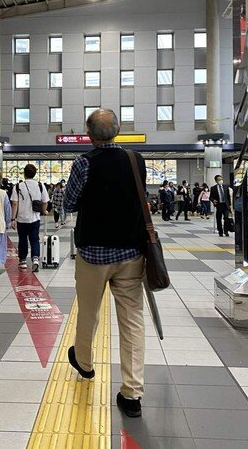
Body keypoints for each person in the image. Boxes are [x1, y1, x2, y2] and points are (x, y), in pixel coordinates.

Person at [64, 108, 147, 418]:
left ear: (89, 134)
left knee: (88, 312)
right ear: (118, 129)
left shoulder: (84, 162)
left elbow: (69, 202)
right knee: (132, 320)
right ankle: (132, 392)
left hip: (93, 254)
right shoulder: (135, 159)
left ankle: (84, 364)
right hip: (131, 253)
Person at [11, 164, 49, 272]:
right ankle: (35, 259)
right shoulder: (40, 185)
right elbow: (45, 201)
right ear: (35, 174)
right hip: (34, 218)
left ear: (24, 173)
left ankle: (23, 261)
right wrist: (44, 211)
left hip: (21, 219)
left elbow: (14, 203)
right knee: (34, 238)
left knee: (22, 239)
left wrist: (13, 219)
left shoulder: (18, 186)